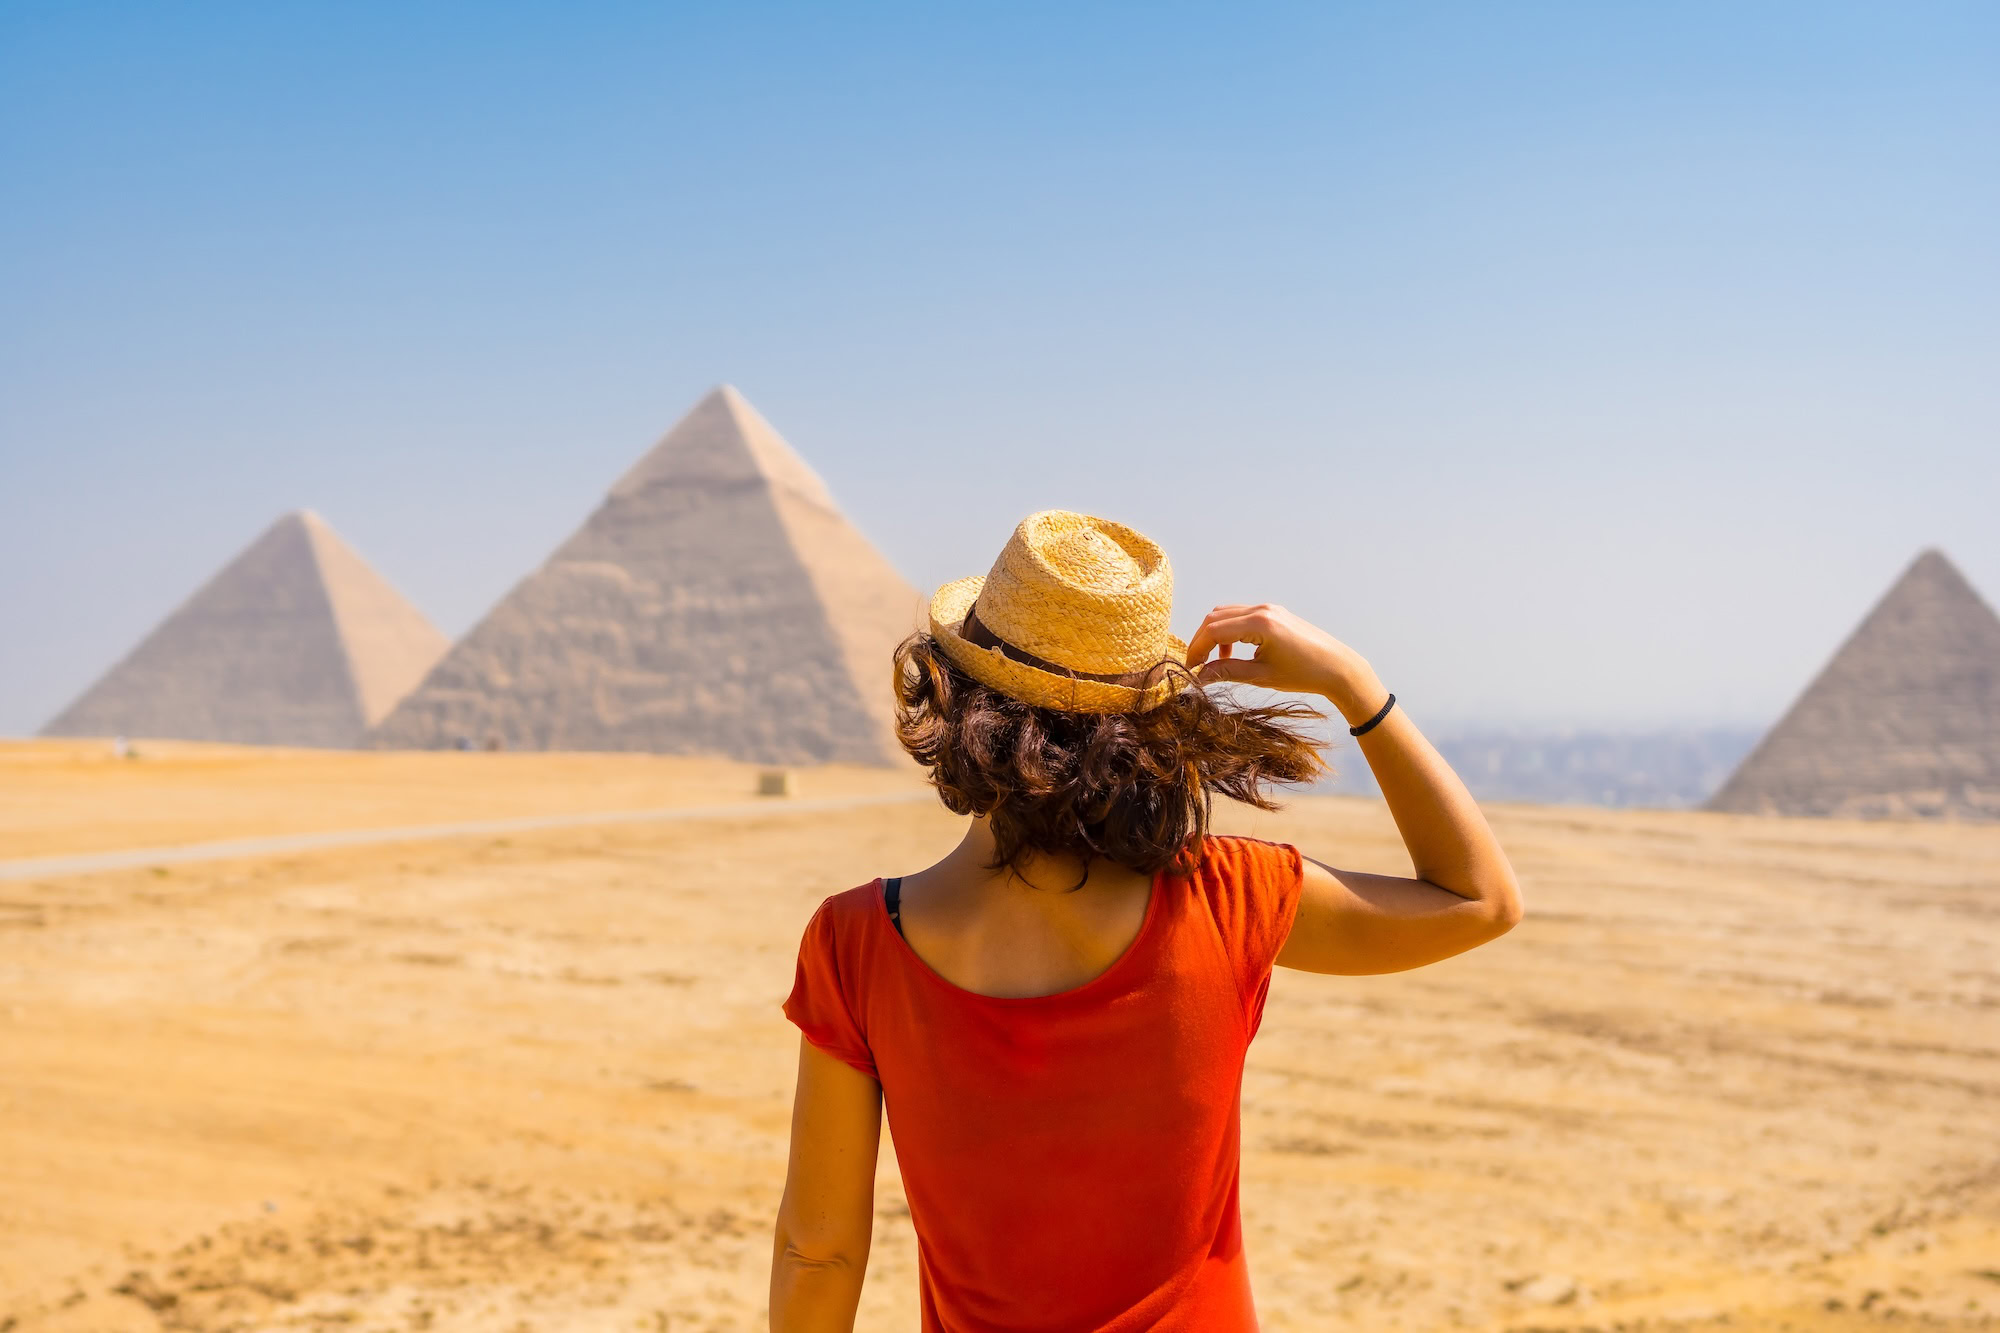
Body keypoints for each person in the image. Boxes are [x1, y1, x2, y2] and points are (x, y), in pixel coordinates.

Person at [771, 510, 1521, 1332]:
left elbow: (822, 1251)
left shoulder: (855, 943)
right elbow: (1478, 899)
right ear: (1146, 731)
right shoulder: (1229, 897)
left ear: (953, 695)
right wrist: (1354, 683)